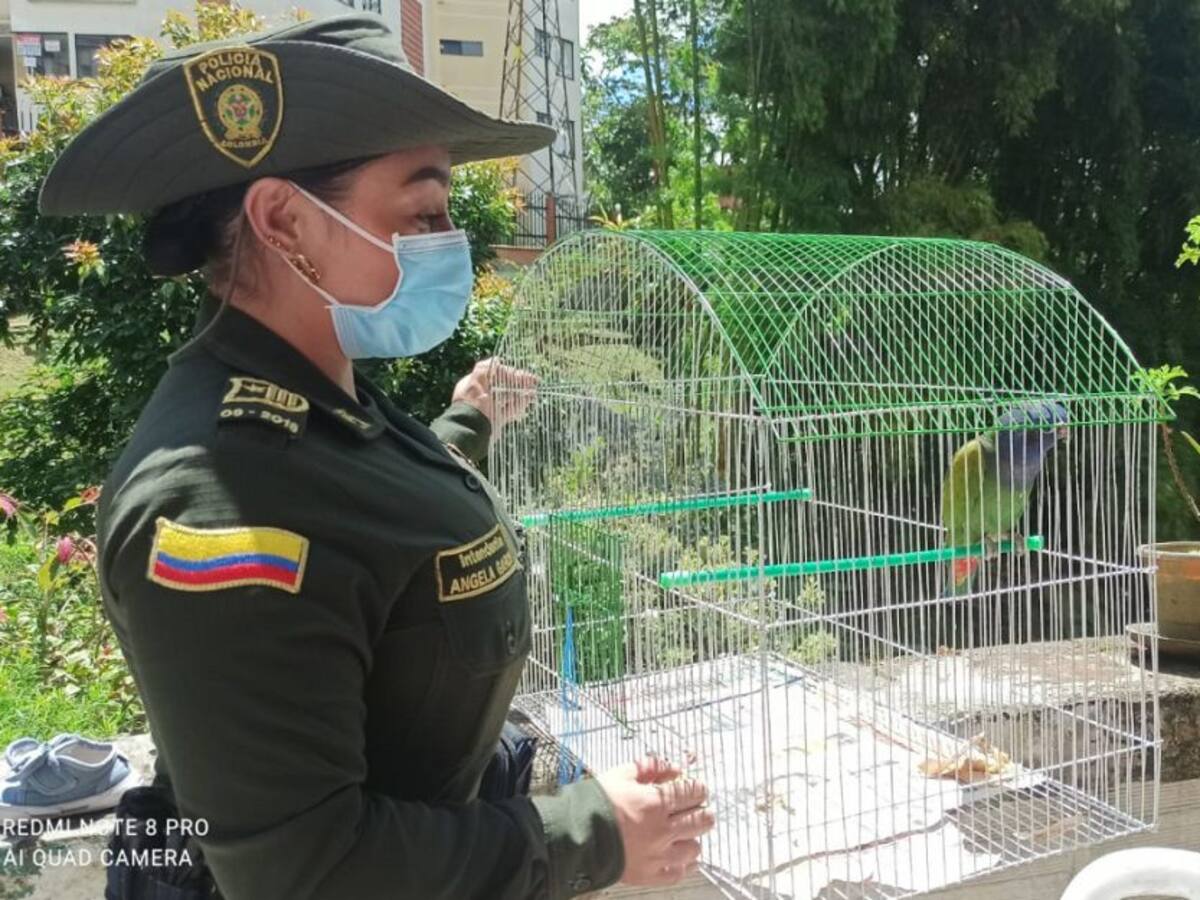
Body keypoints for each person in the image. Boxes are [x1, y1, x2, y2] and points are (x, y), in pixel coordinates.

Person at [37, 13, 714, 900]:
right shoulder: (217, 497)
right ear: (284, 220)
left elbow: (362, 516)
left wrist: (467, 423)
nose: (449, 240)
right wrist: (591, 836)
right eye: (423, 209)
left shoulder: (317, 392)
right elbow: (302, 869)